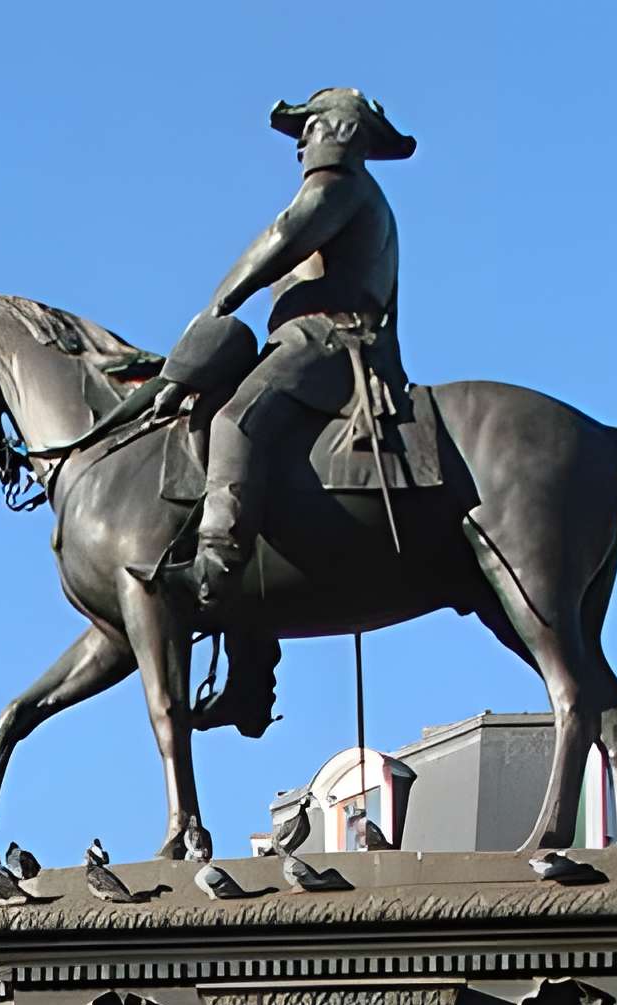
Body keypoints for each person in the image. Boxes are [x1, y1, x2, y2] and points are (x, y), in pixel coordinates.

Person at [132, 86, 416, 736]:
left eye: (310, 126)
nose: (300, 141)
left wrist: (219, 304)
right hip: (311, 339)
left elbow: (283, 238)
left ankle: (213, 568)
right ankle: (247, 677)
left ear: (341, 132)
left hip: (332, 340)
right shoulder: (346, 192)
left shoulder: (339, 189)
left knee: (237, 419)